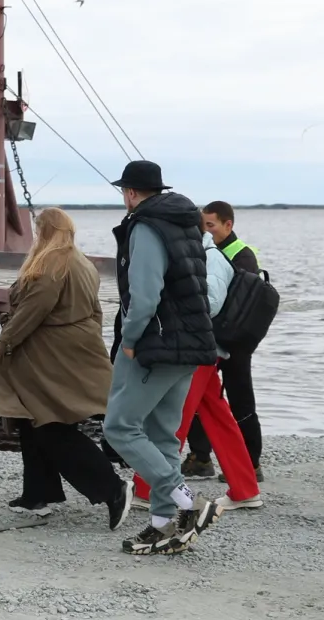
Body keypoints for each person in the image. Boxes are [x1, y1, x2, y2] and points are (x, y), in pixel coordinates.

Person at [103, 160, 225, 556]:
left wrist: (131, 340)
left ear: (132, 193)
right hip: (191, 342)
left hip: (155, 345)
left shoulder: (145, 226)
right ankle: (162, 524)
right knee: (162, 436)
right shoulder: (186, 224)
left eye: (124, 192)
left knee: (119, 427)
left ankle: (187, 501)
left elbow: (144, 294)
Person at [0, 208, 127, 526]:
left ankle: (112, 488)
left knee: (48, 425)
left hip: (45, 357)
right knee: (33, 420)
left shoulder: (51, 264)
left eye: (38, 231)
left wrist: (4, 342)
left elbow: (32, 311)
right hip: (68, 353)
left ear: (45, 231)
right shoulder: (82, 262)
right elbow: (94, 312)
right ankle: (36, 494)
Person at [128, 230, 264, 514]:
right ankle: (245, 488)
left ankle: (147, 488)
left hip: (200, 350)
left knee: (172, 418)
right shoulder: (203, 256)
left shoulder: (211, 259)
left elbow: (210, 305)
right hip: (205, 350)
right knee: (218, 417)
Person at [183, 200, 263, 478]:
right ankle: (200, 457)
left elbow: (239, 300)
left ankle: (251, 463)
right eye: (202, 225)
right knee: (198, 400)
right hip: (209, 338)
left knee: (241, 400)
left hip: (235, 338)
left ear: (228, 225)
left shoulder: (242, 255)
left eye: (211, 226)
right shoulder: (204, 250)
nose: (205, 231)